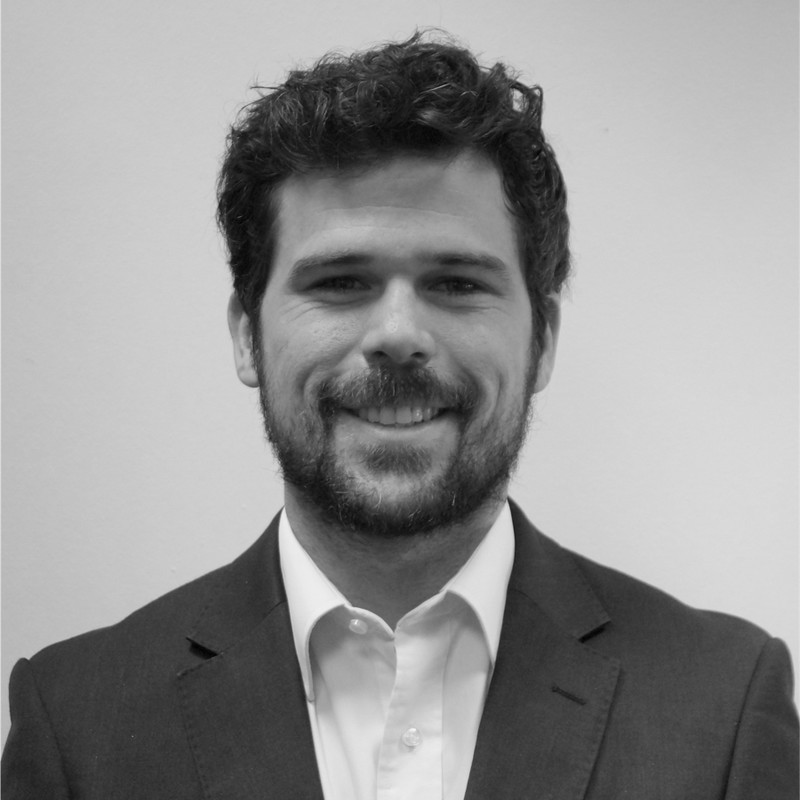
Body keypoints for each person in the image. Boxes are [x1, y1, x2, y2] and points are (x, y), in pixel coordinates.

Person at [2, 31, 797, 799]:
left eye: (457, 284)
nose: (398, 335)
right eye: (340, 282)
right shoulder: (75, 725)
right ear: (247, 335)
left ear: (543, 339)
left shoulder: (724, 706)